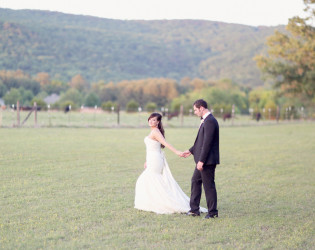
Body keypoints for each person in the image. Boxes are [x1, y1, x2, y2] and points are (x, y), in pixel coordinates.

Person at [134, 112, 207, 214]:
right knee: (148, 180)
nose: (151, 121)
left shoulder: (155, 131)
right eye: (150, 119)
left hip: (155, 159)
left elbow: (165, 143)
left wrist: (177, 152)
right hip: (152, 158)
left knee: (146, 180)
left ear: (158, 122)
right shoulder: (153, 131)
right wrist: (147, 160)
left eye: (154, 120)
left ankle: (163, 202)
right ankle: (153, 201)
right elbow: (154, 147)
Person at [182, 99, 220, 219]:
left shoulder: (210, 121)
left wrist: (201, 161)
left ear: (202, 108)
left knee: (208, 186)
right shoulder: (205, 121)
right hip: (202, 160)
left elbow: (207, 143)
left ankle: (213, 213)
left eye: (195, 110)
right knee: (195, 181)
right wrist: (190, 150)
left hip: (207, 161)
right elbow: (200, 141)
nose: (194, 112)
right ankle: (194, 210)